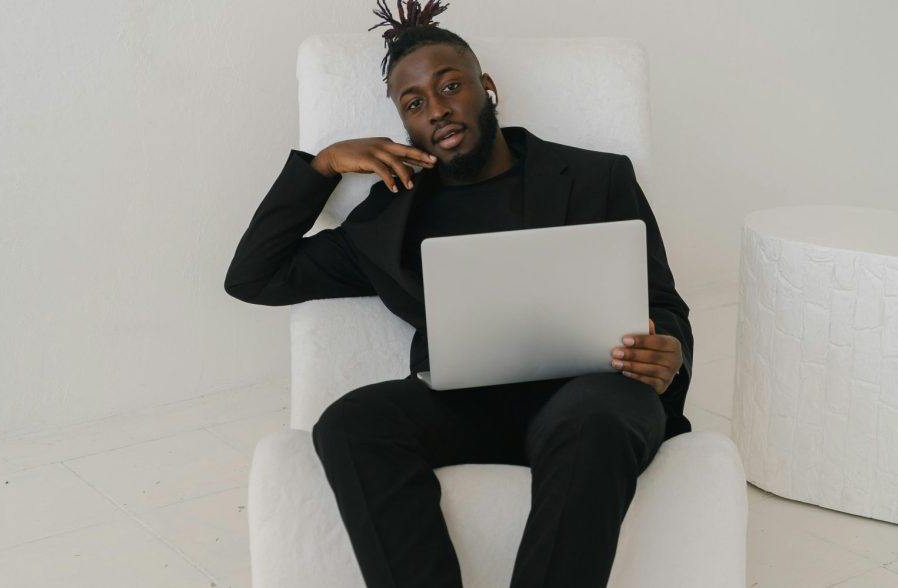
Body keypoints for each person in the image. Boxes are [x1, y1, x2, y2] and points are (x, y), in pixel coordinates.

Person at [224, 1, 694, 586]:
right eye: (414, 103)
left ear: (486, 88)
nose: (438, 109)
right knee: (350, 423)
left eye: (450, 86)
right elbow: (254, 277)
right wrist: (321, 168)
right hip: (465, 407)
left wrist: (668, 349)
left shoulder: (597, 177)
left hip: (592, 397)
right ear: (405, 123)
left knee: (595, 419)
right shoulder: (384, 224)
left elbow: (663, 304)